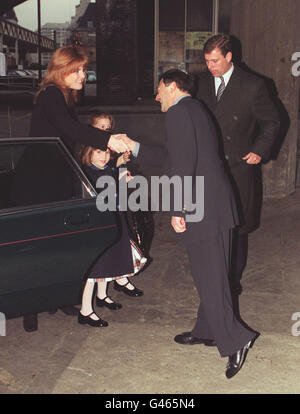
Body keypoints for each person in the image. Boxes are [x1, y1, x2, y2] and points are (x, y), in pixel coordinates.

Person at [121, 69, 259, 378]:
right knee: (211, 274)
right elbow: (176, 156)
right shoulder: (196, 109)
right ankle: (207, 330)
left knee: (212, 277)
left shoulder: (179, 114)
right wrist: (135, 146)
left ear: (171, 87)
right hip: (215, 205)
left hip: (202, 208)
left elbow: (182, 166)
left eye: (159, 90)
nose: (156, 97)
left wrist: (178, 209)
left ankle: (237, 340)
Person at [29, 46, 128, 316]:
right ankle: (38, 304)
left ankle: (56, 297)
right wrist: (108, 139)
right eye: (77, 70)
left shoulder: (63, 96)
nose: (83, 75)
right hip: (41, 178)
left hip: (55, 174)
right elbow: (70, 129)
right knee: (46, 241)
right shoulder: (51, 94)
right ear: (61, 70)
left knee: (57, 240)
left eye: (84, 69)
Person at [197, 34, 280, 294]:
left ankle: (231, 282)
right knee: (209, 227)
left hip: (238, 167)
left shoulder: (253, 85)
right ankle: (213, 280)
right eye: (207, 61)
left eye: (215, 61)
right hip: (207, 166)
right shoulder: (199, 83)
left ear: (229, 57)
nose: (211, 67)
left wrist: (259, 150)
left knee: (236, 229)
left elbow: (273, 121)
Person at [77, 138, 147, 327]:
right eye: (99, 152)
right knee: (93, 270)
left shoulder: (106, 169)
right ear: (88, 153)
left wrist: (123, 177)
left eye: (107, 153)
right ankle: (85, 310)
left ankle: (102, 296)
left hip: (111, 222)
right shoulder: (87, 173)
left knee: (105, 263)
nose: (104, 157)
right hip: (98, 226)